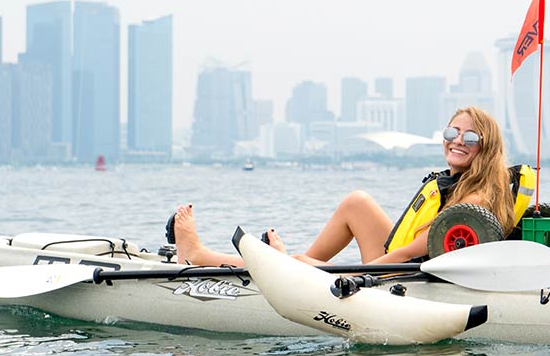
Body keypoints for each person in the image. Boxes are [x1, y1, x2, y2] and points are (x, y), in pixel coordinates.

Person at [172, 106, 518, 268]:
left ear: (485, 146)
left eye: (469, 136)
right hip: (402, 263)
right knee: (357, 202)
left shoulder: (476, 195)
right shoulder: (470, 183)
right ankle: (300, 260)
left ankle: (203, 257)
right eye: (450, 133)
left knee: (294, 265)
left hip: (408, 275)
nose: (457, 141)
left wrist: (363, 271)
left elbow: (418, 248)